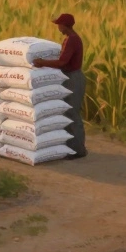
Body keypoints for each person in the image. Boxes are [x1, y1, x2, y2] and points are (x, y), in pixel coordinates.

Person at [35, 13, 86, 159]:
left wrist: (42, 62)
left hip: (73, 78)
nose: (58, 27)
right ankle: (71, 147)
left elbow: (62, 62)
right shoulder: (71, 39)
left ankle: (77, 150)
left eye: (59, 24)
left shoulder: (72, 40)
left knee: (72, 113)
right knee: (68, 112)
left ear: (64, 25)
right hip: (71, 77)